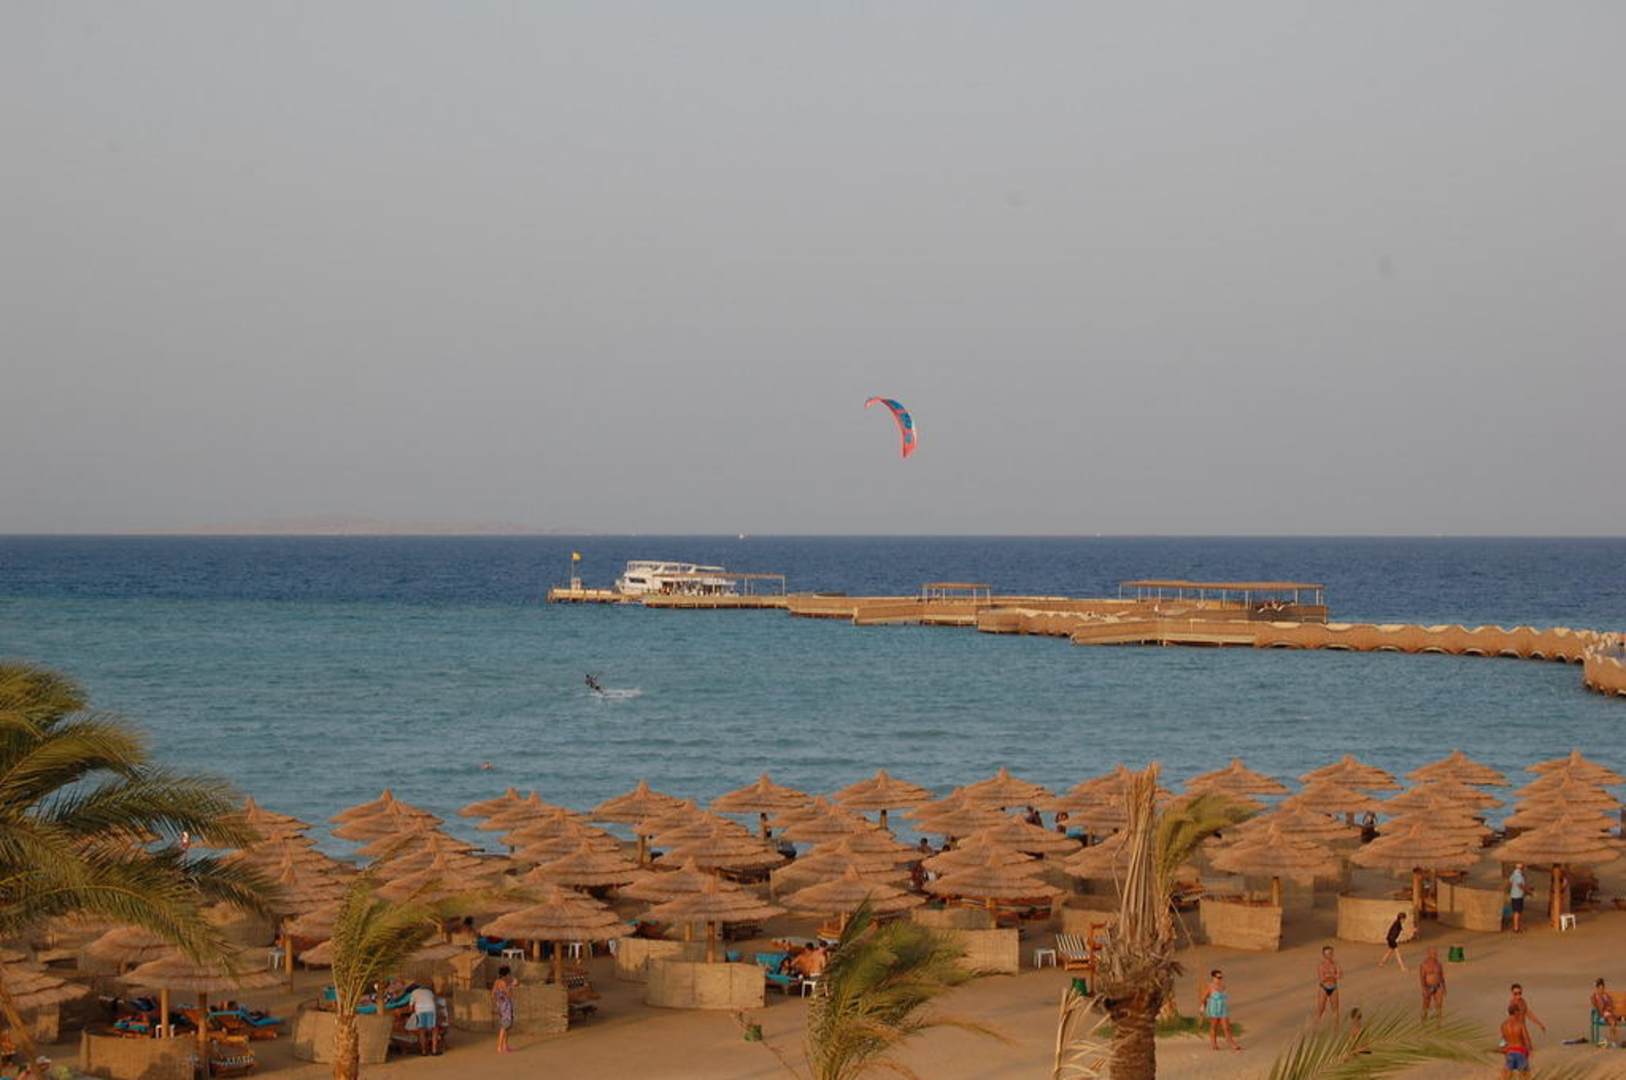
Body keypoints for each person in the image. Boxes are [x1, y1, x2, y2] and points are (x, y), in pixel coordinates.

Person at [1200, 969, 1242, 1051]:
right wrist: (1202, 1006)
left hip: (1223, 1008)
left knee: (1226, 1027)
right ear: (1213, 977)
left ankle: (1232, 1043)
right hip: (1214, 1008)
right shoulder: (1209, 986)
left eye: (1221, 977)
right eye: (1218, 977)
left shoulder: (1223, 986)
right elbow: (1203, 997)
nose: (1220, 979)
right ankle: (1214, 1044)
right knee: (1214, 1026)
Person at [1500, 1003, 1532, 1078]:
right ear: (1516, 1012)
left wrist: (1503, 1051)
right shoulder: (1520, 1024)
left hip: (1510, 1051)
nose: (1520, 1014)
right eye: (1519, 1012)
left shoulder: (1503, 1025)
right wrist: (1529, 1050)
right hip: (1520, 1051)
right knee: (1525, 1077)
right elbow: (1527, 1039)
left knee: (1507, 1077)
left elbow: (1502, 1041)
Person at [492, 964, 518, 1054]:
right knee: (504, 1026)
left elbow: (493, 994)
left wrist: (498, 1002)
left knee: (506, 1026)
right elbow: (509, 994)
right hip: (505, 1006)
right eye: (509, 974)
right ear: (506, 974)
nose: (509, 975)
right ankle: (500, 1046)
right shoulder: (503, 983)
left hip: (501, 1006)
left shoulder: (497, 982)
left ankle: (505, 1046)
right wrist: (512, 985)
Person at [1314, 945, 1342, 1023]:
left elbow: (1340, 975)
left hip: (1333, 987)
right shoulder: (1321, 965)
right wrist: (1333, 976)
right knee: (1320, 1010)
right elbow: (1322, 979)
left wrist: (1329, 975)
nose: (1329, 956)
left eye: (1330, 953)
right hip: (1324, 988)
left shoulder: (1336, 964)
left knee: (1335, 1010)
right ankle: (1315, 1027)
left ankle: (1336, 1029)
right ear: (1324, 955)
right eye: (1327, 954)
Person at [408, 983, 437, 1055]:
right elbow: (434, 1001)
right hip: (430, 1009)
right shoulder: (429, 991)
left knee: (422, 1031)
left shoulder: (413, 993)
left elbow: (411, 1008)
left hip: (420, 1011)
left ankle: (424, 1051)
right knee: (434, 1030)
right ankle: (434, 1050)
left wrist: (412, 1013)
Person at [1419, 946, 1446, 1021]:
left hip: (1438, 986)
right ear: (1429, 954)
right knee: (1426, 1006)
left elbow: (1441, 976)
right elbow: (1422, 978)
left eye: (1436, 953)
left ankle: (1439, 1023)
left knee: (1439, 1006)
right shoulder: (1424, 965)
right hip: (1428, 987)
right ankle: (1423, 1021)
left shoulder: (1438, 964)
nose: (1435, 955)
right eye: (1433, 953)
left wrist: (1444, 987)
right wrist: (1424, 989)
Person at [1591, 978, 1620, 1046]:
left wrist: (1609, 1007)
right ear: (1597, 988)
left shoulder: (1606, 995)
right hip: (1603, 1015)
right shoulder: (1595, 996)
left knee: (1613, 1021)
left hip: (1609, 1013)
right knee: (1612, 1022)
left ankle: (1613, 1040)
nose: (1601, 990)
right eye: (1600, 988)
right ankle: (1613, 1040)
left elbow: (1611, 1004)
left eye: (1602, 988)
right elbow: (1596, 1006)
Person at [1509, 863, 1527, 933]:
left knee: (1516, 911)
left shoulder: (1513, 874)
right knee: (1517, 912)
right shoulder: (1518, 875)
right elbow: (1520, 885)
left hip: (1514, 895)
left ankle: (1517, 926)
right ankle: (1516, 928)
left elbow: (1510, 882)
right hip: (1518, 895)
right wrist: (1526, 890)